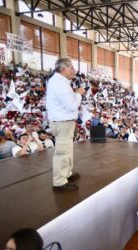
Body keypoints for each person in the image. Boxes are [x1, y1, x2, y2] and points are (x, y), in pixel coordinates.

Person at [46, 58, 85, 191]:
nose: (74, 71)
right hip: (62, 123)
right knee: (62, 152)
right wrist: (78, 94)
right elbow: (72, 105)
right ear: (63, 69)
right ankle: (59, 182)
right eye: (72, 68)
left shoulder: (60, 81)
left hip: (64, 122)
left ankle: (66, 174)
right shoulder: (59, 83)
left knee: (67, 150)